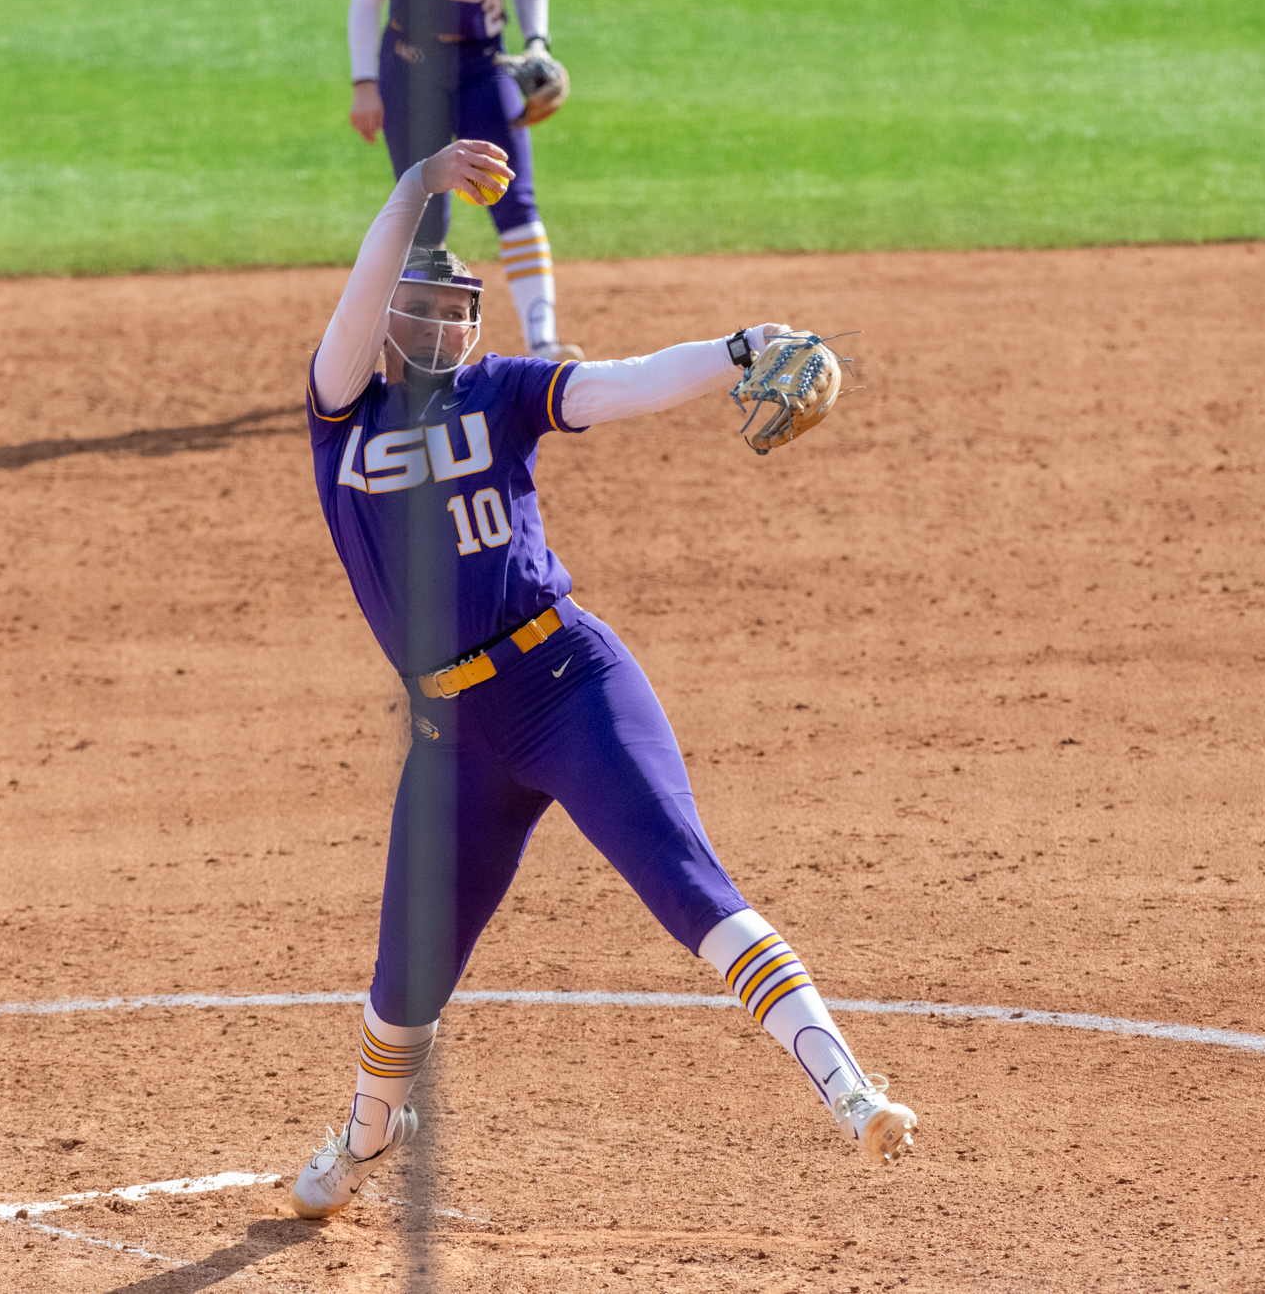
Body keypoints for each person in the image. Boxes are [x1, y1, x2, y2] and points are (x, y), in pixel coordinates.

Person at [287, 139, 919, 1220]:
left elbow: (623, 384)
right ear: (386, 323)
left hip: (566, 682)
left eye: (456, 312)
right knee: (404, 981)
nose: (439, 328)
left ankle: (849, 1089)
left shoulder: (503, 392)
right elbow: (354, 300)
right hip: (452, 738)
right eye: (419, 310)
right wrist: (416, 186)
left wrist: (742, 347)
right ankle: (365, 1130)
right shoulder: (343, 413)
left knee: (683, 880)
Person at [345, 0, 582, 360]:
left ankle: (543, 343)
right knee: (426, 214)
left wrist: (538, 44)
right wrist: (364, 83)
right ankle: (419, 353)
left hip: (485, 65)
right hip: (410, 65)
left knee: (515, 198)